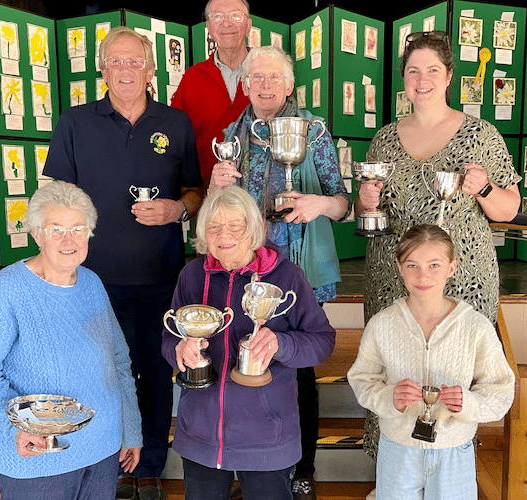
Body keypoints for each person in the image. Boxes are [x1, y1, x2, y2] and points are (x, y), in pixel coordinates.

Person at [43, 26, 202, 500]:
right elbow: (55, 197)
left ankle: (150, 467)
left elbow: (195, 190)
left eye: (136, 61)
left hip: (161, 277)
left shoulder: (175, 123)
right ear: (102, 67)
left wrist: (178, 209)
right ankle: (102, 464)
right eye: (117, 60)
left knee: (155, 371)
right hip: (91, 281)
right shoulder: (74, 122)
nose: (126, 69)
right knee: (99, 372)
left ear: (152, 69)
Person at [354, 31, 521, 477]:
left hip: (460, 276)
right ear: (403, 80)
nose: (421, 79)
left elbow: (509, 208)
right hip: (394, 276)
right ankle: (396, 475)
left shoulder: (481, 134)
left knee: (454, 375)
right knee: (397, 375)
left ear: (449, 76)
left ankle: (450, 470)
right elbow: (363, 209)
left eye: (432, 70)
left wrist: (483, 186)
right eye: (413, 71)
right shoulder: (386, 138)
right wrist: (365, 200)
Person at [210, 45, 351, 500]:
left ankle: (302, 468)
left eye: (275, 77)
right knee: (238, 360)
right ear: (245, 85)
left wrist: (319, 205)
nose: (265, 85)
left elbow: (344, 204)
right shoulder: (232, 134)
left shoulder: (313, 132)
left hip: (298, 271)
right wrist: (216, 186)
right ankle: (247, 463)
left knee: (298, 368)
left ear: (290, 85)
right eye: (257, 77)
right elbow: (218, 211)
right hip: (242, 268)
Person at [0, 181, 143, 500]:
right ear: (36, 233)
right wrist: (16, 427)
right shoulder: (6, 291)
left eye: (77, 229)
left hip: (102, 450)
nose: (68, 240)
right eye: (56, 229)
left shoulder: (92, 283)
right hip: (38, 459)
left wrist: (130, 428)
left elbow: (119, 361)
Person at [161, 185, 336, 500]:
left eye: (235, 225)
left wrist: (280, 344)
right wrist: (179, 350)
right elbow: (169, 335)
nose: (223, 234)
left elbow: (322, 342)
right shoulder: (191, 276)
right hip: (201, 435)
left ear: (254, 228)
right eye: (213, 226)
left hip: (267, 437)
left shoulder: (287, 277)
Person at [347, 224, 515, 500]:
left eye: (434, 265)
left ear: (451, 267)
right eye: (412, 265)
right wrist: (390, 397)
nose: (422, 275)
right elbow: (363, 379)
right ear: (400, 267)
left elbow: (500, 390)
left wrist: (468, 403)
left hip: (454, 450)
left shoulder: (475, 327)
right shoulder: (383, 325)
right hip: (398, 449)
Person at [170, 0, 252, 188]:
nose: (226, 23)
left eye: (235, 15)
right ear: (208, 27)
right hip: (208, 201)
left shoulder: (266, 73)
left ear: (248, 26)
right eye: (217, 16)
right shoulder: (192, 78)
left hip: (261, 203)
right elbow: (175, 139)